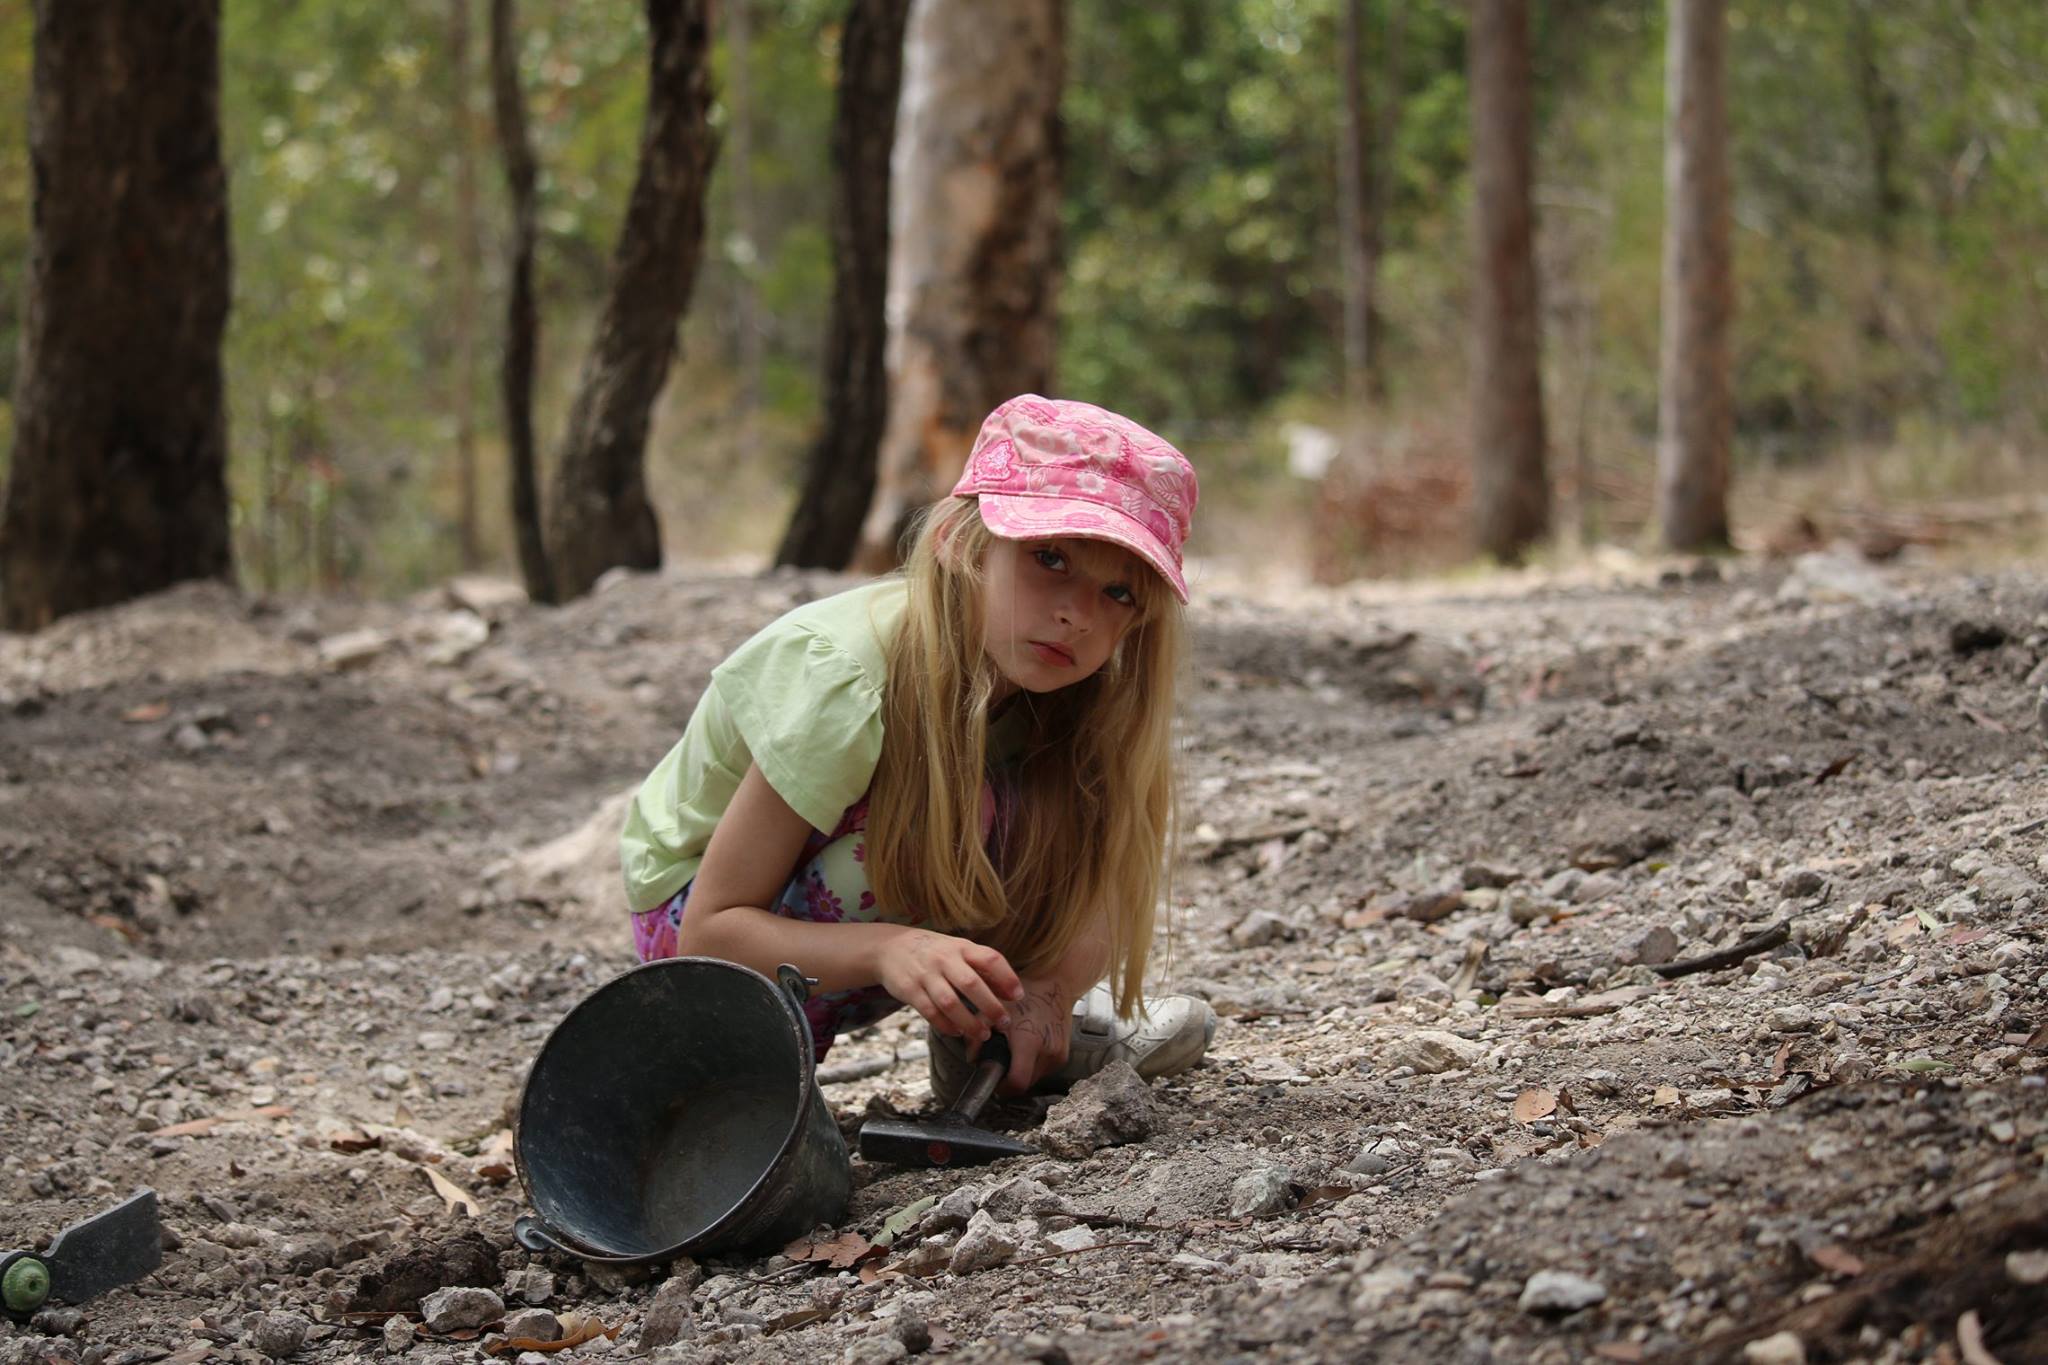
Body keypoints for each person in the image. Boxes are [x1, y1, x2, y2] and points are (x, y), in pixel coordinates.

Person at [620, 394, 1215, 1098]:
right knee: (964, 815)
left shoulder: (1069, 684)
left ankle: (1000, 1036)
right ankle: (743, 1078)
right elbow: (712, 934)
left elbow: (1108, 862)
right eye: (1049, 558)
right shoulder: (845, 678)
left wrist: (1048, 990)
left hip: (875, 924)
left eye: (1118, 593)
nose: (1077, 615)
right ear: (961, 544)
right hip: (704, 936)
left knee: (1064, 799)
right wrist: (891, 947)